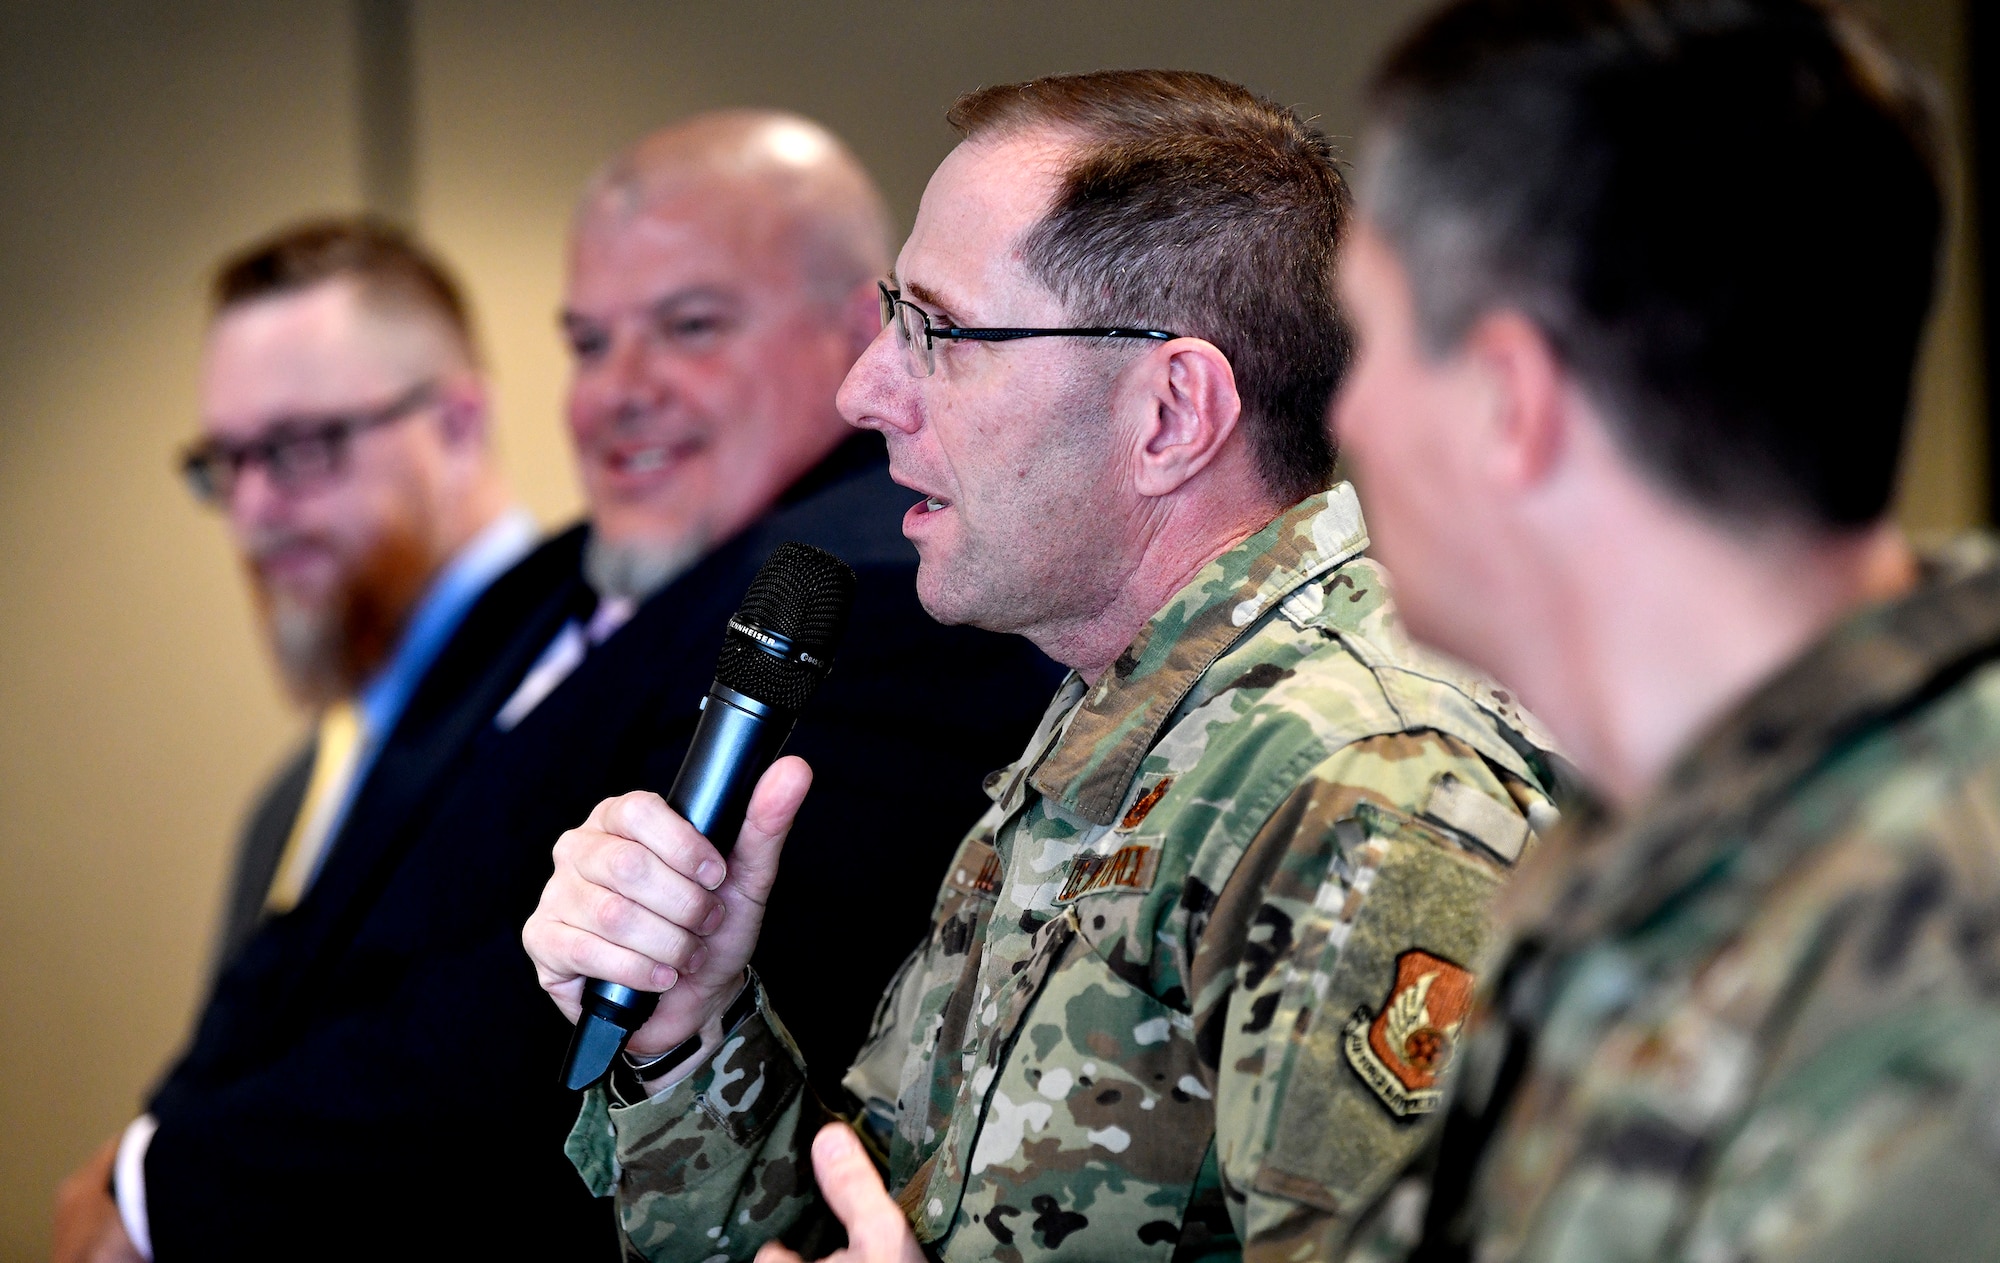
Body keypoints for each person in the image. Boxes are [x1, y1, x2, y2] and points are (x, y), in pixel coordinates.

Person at [523, 71, 1566, 1262]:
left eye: (938, 333)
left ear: (1170, 412)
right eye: (884, 318)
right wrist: (689, 1032)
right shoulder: (1124, 708)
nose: (864, 393)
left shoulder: (1364, 785)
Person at [61, 114, 1059, 1263]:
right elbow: (324, 912)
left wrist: (164, 1195)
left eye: (688, 326)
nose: (619, 392)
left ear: (851, 332)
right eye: (587, 343)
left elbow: (545, 1022)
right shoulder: (535, 585)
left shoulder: (873, 592)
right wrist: (144, 1147)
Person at [1328, 1, 2000, 1258]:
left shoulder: (1952, 949)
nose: (1348, 417)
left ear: (1505, 403)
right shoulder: (1637, 844)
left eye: (1362, 341)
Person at [53, 217, 533, 1263]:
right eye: (225, 463)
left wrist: (143, 1197)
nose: (256, 511)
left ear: (456, 423)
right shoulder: (294, 795)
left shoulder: (580, 689)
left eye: (301, 448)